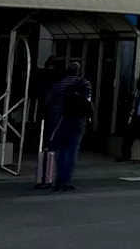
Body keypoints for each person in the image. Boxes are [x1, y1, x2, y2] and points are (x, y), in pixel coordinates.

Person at [45, 62, 92, 192]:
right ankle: (67, 180)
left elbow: (48, 100)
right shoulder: (84, 83)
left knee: (60, 149)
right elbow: (87, 101)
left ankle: (58, 179)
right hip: (77, 119)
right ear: (78, 71)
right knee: (72, 149)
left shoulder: (58, 85)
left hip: (59, 119)